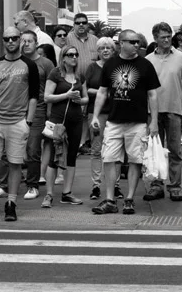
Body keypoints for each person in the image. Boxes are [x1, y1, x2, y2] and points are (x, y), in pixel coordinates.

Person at [91, 29, 160, 215]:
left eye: (138, 42)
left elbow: (153, 94)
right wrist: (95, 116)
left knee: (135, 160)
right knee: (109, 158)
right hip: (114, 121)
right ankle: (110, 200)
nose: (137, 45)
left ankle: (129, 199)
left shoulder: (145, 65)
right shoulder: (110, 64)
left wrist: (154, 121)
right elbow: (102, 91)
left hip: (137, 122)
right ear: (121, 43)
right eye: (133, 42)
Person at [0, 26, 39, 222]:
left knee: (15, 164)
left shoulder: (29, 65)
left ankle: (11, 204)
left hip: (18, 121)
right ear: (3, 41)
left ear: (20, 40)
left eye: (14, 38)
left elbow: (34, 96)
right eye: (7, 39)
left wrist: (28, 122)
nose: (10, 41)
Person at [143, 22, 182, 202]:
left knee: (175, 151)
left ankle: (175, 186)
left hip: (174, 109)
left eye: (168, 36)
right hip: (152, 112)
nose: (166, 40)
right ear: (155, 38)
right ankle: (156, 185)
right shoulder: (148, 60)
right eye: (162, 37)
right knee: (154, 150)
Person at [40, 44, 88, 207]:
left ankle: (67, 193)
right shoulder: (56, 73)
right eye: (70, 55)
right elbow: (47, 97)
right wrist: (66, 95)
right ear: (63, 58)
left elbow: (86, 98)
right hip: (58, 120)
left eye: (76, 55)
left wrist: (79, 100)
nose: (74, 57)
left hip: (76, 120)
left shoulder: (80, 75)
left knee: (72, 156)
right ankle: (49, 194)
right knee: (54, 156)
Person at [85, 37, 122, 201]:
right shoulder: (92, 67)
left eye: (108, 48)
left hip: (115, 112)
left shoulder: (118, 66)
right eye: (102, 48)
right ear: (98, 51)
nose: (105, 50)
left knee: (116, 150)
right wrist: (103, 92)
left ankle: (115, 185)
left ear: (114, 51)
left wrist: (106, 92)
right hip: (96, 113)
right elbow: (85, 89)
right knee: (96, 149)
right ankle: (96, 185)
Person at [19, 30, 55, 200]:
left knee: (33, 148)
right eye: (23, 41)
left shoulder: (46, 63)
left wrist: (50, 111)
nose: (26, 44)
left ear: (36, 43)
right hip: (17, 108)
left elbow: (53, 87)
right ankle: (4, 185)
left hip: (39, 109)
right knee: (10, 149)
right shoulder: (16, 61)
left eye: (29, 41)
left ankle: (32, 185)